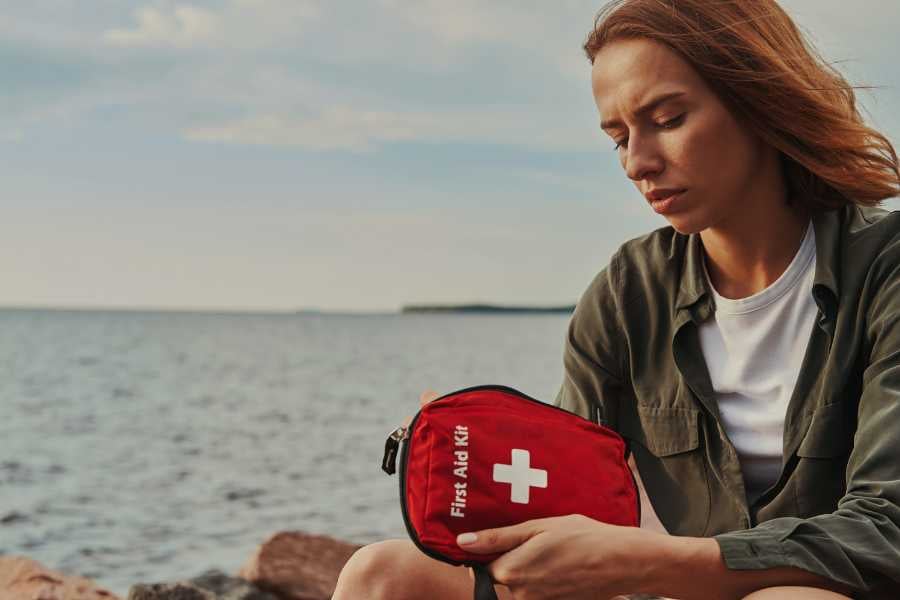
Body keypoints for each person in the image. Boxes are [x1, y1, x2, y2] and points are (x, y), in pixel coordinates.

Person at [332, 0, 900, 598]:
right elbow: (565, 494)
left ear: (758, 102)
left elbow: (886, 532)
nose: (637, 162)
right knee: (379, 575)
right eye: (619, 137)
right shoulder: (630, 290)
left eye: (668, 118)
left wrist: (649, 563)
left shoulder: (884, 269)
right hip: (658, 587)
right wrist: (474, 457)